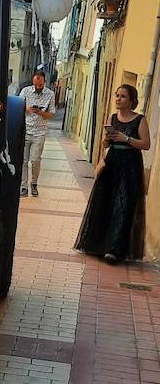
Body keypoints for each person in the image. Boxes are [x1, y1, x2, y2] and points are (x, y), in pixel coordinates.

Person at [75, 83, 150, 264]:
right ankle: (98, 245)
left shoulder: (139, 120)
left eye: (123, 96)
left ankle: (116, 250)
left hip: (130, 166)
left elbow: (146, 144)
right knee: (105, 203)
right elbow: (105, 145)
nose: (118, 99)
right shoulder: (113, 118)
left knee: (123, 207)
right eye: (117, 95)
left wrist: (126, 138)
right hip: (112, 163)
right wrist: (107, 140)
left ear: (132, 100)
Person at [19, 68, 55, 197]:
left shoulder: (50, 94)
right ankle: (23, 186)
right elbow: (17, 107)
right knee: (23, 160)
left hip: (40, 132)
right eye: (35, 84)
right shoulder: (25, 91)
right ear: (32, 81)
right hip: (25, 130)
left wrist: (41, 113)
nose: (38, 87)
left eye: (40, 85)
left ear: (45, 81)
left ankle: (34, 183)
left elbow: (51, 114)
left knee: (35, 160)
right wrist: (26, 109)